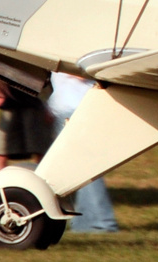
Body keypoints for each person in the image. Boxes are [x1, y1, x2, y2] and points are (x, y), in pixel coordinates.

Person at [46, 73, 118, 234]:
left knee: (85, 168)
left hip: (78, 108)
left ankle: (101, 223)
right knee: (72, 170)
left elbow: (83, 72)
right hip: (64, 109)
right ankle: (84, 222)